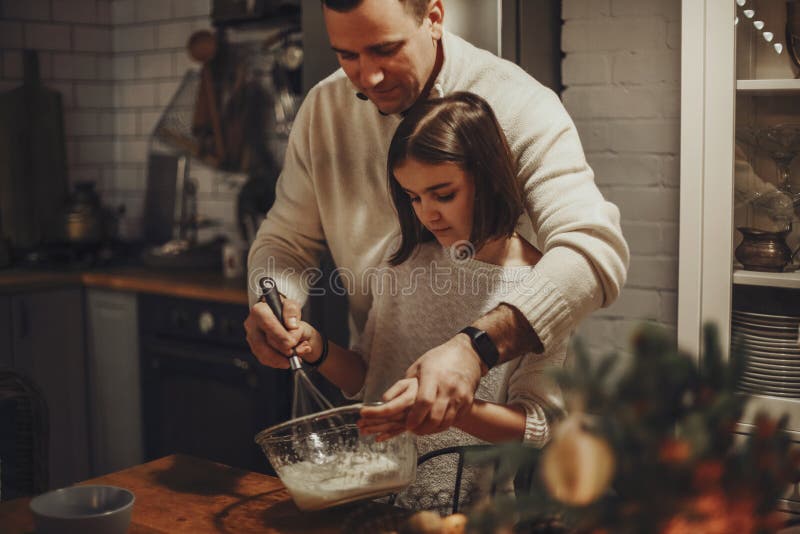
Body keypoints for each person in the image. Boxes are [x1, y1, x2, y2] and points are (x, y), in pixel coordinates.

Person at [245, 0, 628, 435]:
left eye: (385, 49)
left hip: (493, 441)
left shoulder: (521, 105)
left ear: (433, 17)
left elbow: (593, 250)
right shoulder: (322, 110)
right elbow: (285, 241)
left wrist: (475, 348)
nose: (368, 77)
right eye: (347, 55)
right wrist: (271, 301)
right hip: (394, 433)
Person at [278, 92, 566, 511]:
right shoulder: (407, 257)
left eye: (443, 194)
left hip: (469, 513)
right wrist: (317, 348)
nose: (426, 213)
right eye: (413, 197)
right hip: (373, 502)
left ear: (487, 179)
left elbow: (537, 427)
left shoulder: (541, 288)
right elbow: (365, 376)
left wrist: (449, 408)